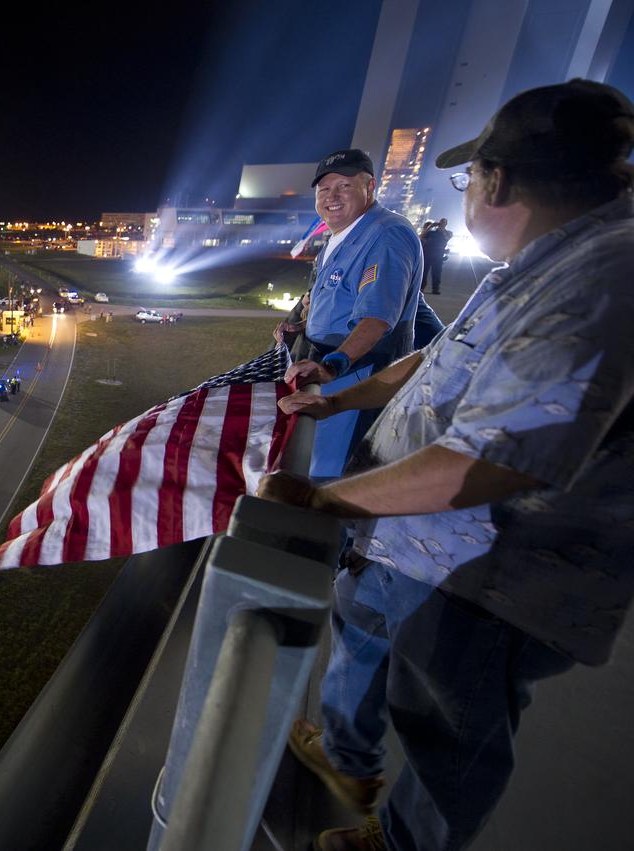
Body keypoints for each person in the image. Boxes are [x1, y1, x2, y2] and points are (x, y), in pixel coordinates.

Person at [260, 79, 634, 851]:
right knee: (382, 648)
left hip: (496, 569)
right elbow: (434, 357)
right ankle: (349, 759)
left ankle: (402, 846)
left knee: (450, 729)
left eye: (471, 178)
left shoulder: (598, 281)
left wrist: (329, 504)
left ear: (495, 178)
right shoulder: (544, 263)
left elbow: (494, 461)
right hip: (432, 540)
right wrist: (335, 401)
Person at [293, 149, 424, 479]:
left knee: (334, 475)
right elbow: (335, 297)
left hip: (357, 372)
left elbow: (377, 319)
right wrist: (300, 324)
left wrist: (333, 365)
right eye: (324, 189)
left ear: (371, 187)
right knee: (314, 462)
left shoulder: (385, 235)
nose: (332, 197)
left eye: (344, 186)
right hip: (331, 369)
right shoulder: (342, 234)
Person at [419, 217, 452, 294]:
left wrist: (443, 229)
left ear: (446, 224)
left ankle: (435, 288)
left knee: (436, 273)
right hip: (427, 254)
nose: (442, 224)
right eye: (441, 222)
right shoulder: (432, 232)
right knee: (424, 272)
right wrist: (431, 226)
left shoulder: (448, 233)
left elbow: (448, 238)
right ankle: (421, 288)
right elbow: (422, 236)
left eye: (444, 223)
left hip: (438, 256)